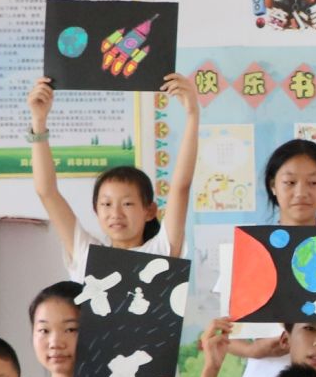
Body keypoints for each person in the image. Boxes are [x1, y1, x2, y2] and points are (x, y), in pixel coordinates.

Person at [26, 73, 199, 272]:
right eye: (106, 204)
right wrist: (38, 121)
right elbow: (46, 191)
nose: (115, 214)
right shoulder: (86, 254)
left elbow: (181, 186)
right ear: (96, 210)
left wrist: (192, 114)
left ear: (149, 211)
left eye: (127, 203)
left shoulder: (161, 251)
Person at [228, 139, 316, 377]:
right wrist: (252, 350)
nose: (301, 192)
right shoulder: (253, 250)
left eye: (313, 183)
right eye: (289, 182)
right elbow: (222, 331)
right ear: (273, 186)